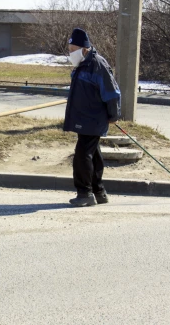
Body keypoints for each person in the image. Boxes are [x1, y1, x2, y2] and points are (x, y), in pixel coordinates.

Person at [64, 28, 121, 207]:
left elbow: (112, 92)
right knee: (93, 153)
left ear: (85, 49)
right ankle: (99, 192)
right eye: (70, 49)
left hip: (93, 118)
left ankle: (85, 193)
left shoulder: (97, 64)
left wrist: (113, 115)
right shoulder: (82, 64)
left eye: (74, 49)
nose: (71, 53)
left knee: (82, 155)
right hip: (85, 118)